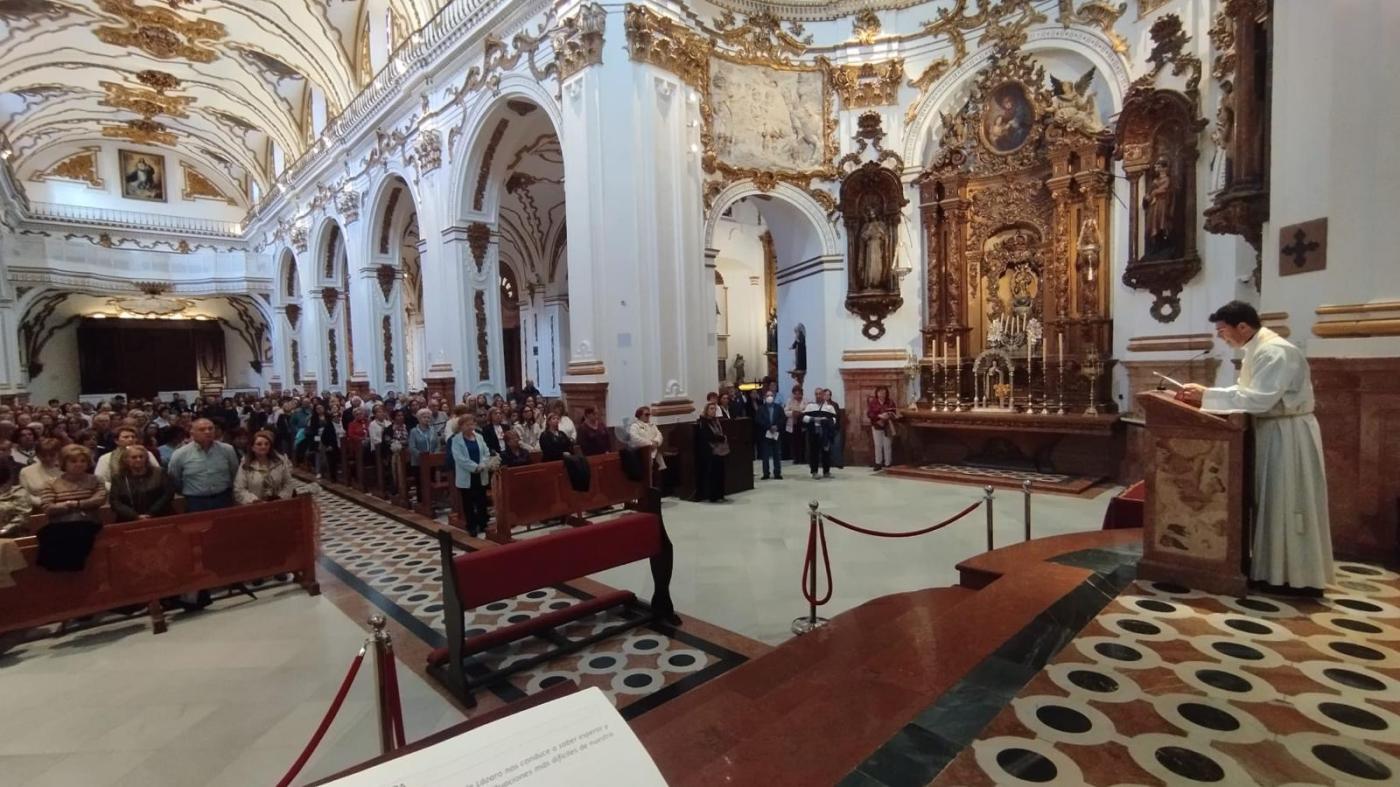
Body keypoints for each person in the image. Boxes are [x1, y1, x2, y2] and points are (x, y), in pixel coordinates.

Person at [1176, 300, 1333, 597]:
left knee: (1286, 500)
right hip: (1273, 431)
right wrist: (1206, 394)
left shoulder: (1275, 352)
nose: (1221, 337)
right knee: (1273, 501)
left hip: (1287, 436)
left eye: (1223, 331)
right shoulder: (1258, 350)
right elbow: (1249, 392)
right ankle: (1273, 571)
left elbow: (1260, 400)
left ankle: (1295, 577)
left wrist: (1207, 396)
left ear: (1243, 326)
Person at [37, 444, 106, 571]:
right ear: (64, 463)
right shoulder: (51, 483)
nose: (79, 464)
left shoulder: (96, 480)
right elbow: (48, 507)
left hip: (89, 522)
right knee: (48, 535)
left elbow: (98, 500)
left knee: (79, 530)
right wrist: (71, 505)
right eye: (73, 461)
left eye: (83, 461)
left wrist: (75, 504)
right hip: (60, 524)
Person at [167, 418, 240, 512]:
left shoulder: (227, 449)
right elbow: (174, 478)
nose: (207, 432)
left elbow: (234, 472)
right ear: (192, 433)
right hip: (195, 501)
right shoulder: (180, 454)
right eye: (202, 429)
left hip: (223, 497)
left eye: (211, 428)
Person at [448, 414, 495, 537]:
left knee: (481, 500)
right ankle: (471, 526)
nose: (470, 427)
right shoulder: (456, 440)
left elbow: (486, 452)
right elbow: (459, 458)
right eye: (467, 425)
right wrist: (474, 467)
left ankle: (483, 523)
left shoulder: (479, 437)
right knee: (468, 502)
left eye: (472, 424)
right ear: (461, 426)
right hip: (466, 474)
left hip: (481, 472)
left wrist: (482, 464)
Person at [109, 444, 174, 521]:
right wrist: (135, 516)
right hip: (129, 519)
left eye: (141, 457)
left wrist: (150, 513)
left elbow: (167, 494)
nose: (138, 459)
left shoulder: (159, 473)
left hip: (159, 516)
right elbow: (115, 502)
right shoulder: (118, 478)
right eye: (134, 457)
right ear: (126, 460)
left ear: (146, 458)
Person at [234, 430, 295, 505]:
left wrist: (281, 498)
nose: (263, 447)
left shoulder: (280, 462)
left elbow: (288, 483)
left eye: (266, 444)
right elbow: (239, 489)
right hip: (255, 506)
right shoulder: (245, 465)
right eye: (259, 444)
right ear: (252, 447)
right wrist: (255, 501)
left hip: (279, 504)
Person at [94, 426, 160, 487]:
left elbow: (157, 473)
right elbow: (100, 480)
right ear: (116, 441)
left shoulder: (147, 454)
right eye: (126, 437)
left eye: (133, 437)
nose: (130, 439)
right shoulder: (106, 458)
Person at [696, 403, 730, 503]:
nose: (713, 411)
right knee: (713, 475)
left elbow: (720, 432)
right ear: (706, 410)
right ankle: (713, 496)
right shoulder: (703, 422)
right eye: (711, 409)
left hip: (719, 450)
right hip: (710, 451)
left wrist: (722, 437)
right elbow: (708, 436)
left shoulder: (716, 421)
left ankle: (721, 494)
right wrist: (721, 438)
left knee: (720, 473)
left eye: (715, 409)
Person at [19, 438, 63, 511]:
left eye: (52, 455)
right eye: (43, 455)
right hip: (38, 510)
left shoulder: (67, 469)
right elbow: (25, 495)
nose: (47, 458)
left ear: (59, 453)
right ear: (37, 455)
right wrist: (43, 503)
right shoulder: (26, 471)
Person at [803, 388, 838, 479]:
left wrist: (824, 421)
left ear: (823, 395)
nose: (818, 396)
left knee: (826, 452)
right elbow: (803, 418)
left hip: (825, 434)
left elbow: (834, 420)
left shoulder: (829, 407)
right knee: (814, 453)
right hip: (814, 433)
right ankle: (814, 472)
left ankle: (826, 472)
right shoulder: (810, 406)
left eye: (820, 394)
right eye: (816, 394)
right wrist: (813, 419)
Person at [626, 406, 667, 475]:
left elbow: (659, 435)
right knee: (647, 475)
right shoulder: (635, 426)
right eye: (646, 414)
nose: (648, 416)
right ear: (640, 415)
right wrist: (650, 443)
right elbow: (635, 438)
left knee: (658, 475)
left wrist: (656, 442)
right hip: (643, 454)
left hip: (655, 453)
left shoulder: (652, 425)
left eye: (649, 414)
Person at [755, 390, 785, 481]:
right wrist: (769, 427)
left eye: (771, 395)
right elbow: (758, 420)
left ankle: (777, 473)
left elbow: (782, 419)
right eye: (768, 395)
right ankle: (766, 473)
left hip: (776, 433)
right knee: (765, 455)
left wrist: (777, 426)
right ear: (765, 397)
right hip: (765, 434)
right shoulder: (761, 408)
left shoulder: (778, 407)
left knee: (777, 454)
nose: (769, 397)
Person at [867, 386, 899, 471]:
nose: (882, 394)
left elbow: (894, 412)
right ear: (877, 393)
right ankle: (878, 463)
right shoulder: (873, 402)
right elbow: (869, 414)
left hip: (887, 426)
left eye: (884, 393)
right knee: (878, 445)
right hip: (877, 425)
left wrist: (888, 415)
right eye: (880, 392)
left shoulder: (890, 402)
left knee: (887, 445)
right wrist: (878, 416)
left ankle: (888, 463)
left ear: (886, 393)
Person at [784, 384, 806, 466]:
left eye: (799, 393)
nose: (797, 395)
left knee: (802, 442)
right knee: (794, 442)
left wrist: (800, 413)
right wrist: (793, 413)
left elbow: (807, 410)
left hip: (802, 424)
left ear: (801, 393)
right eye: (795, 393)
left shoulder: (805, 400)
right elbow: (785, 412)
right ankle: (796, 458)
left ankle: (802, 458)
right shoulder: (789, 400)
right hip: (793, 424)